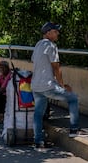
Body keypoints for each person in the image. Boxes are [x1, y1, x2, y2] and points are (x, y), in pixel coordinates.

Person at [31, 22, 80, 150]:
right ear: (48, 33)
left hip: (36, 86)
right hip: (47, 85)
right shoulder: (51, 46)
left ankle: (38, 142)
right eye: (55, 31)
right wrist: (63, 86)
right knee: (72, 98)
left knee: (38, 113)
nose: (58, 33)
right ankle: (74, 129)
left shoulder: (38, 45)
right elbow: (56, 68)